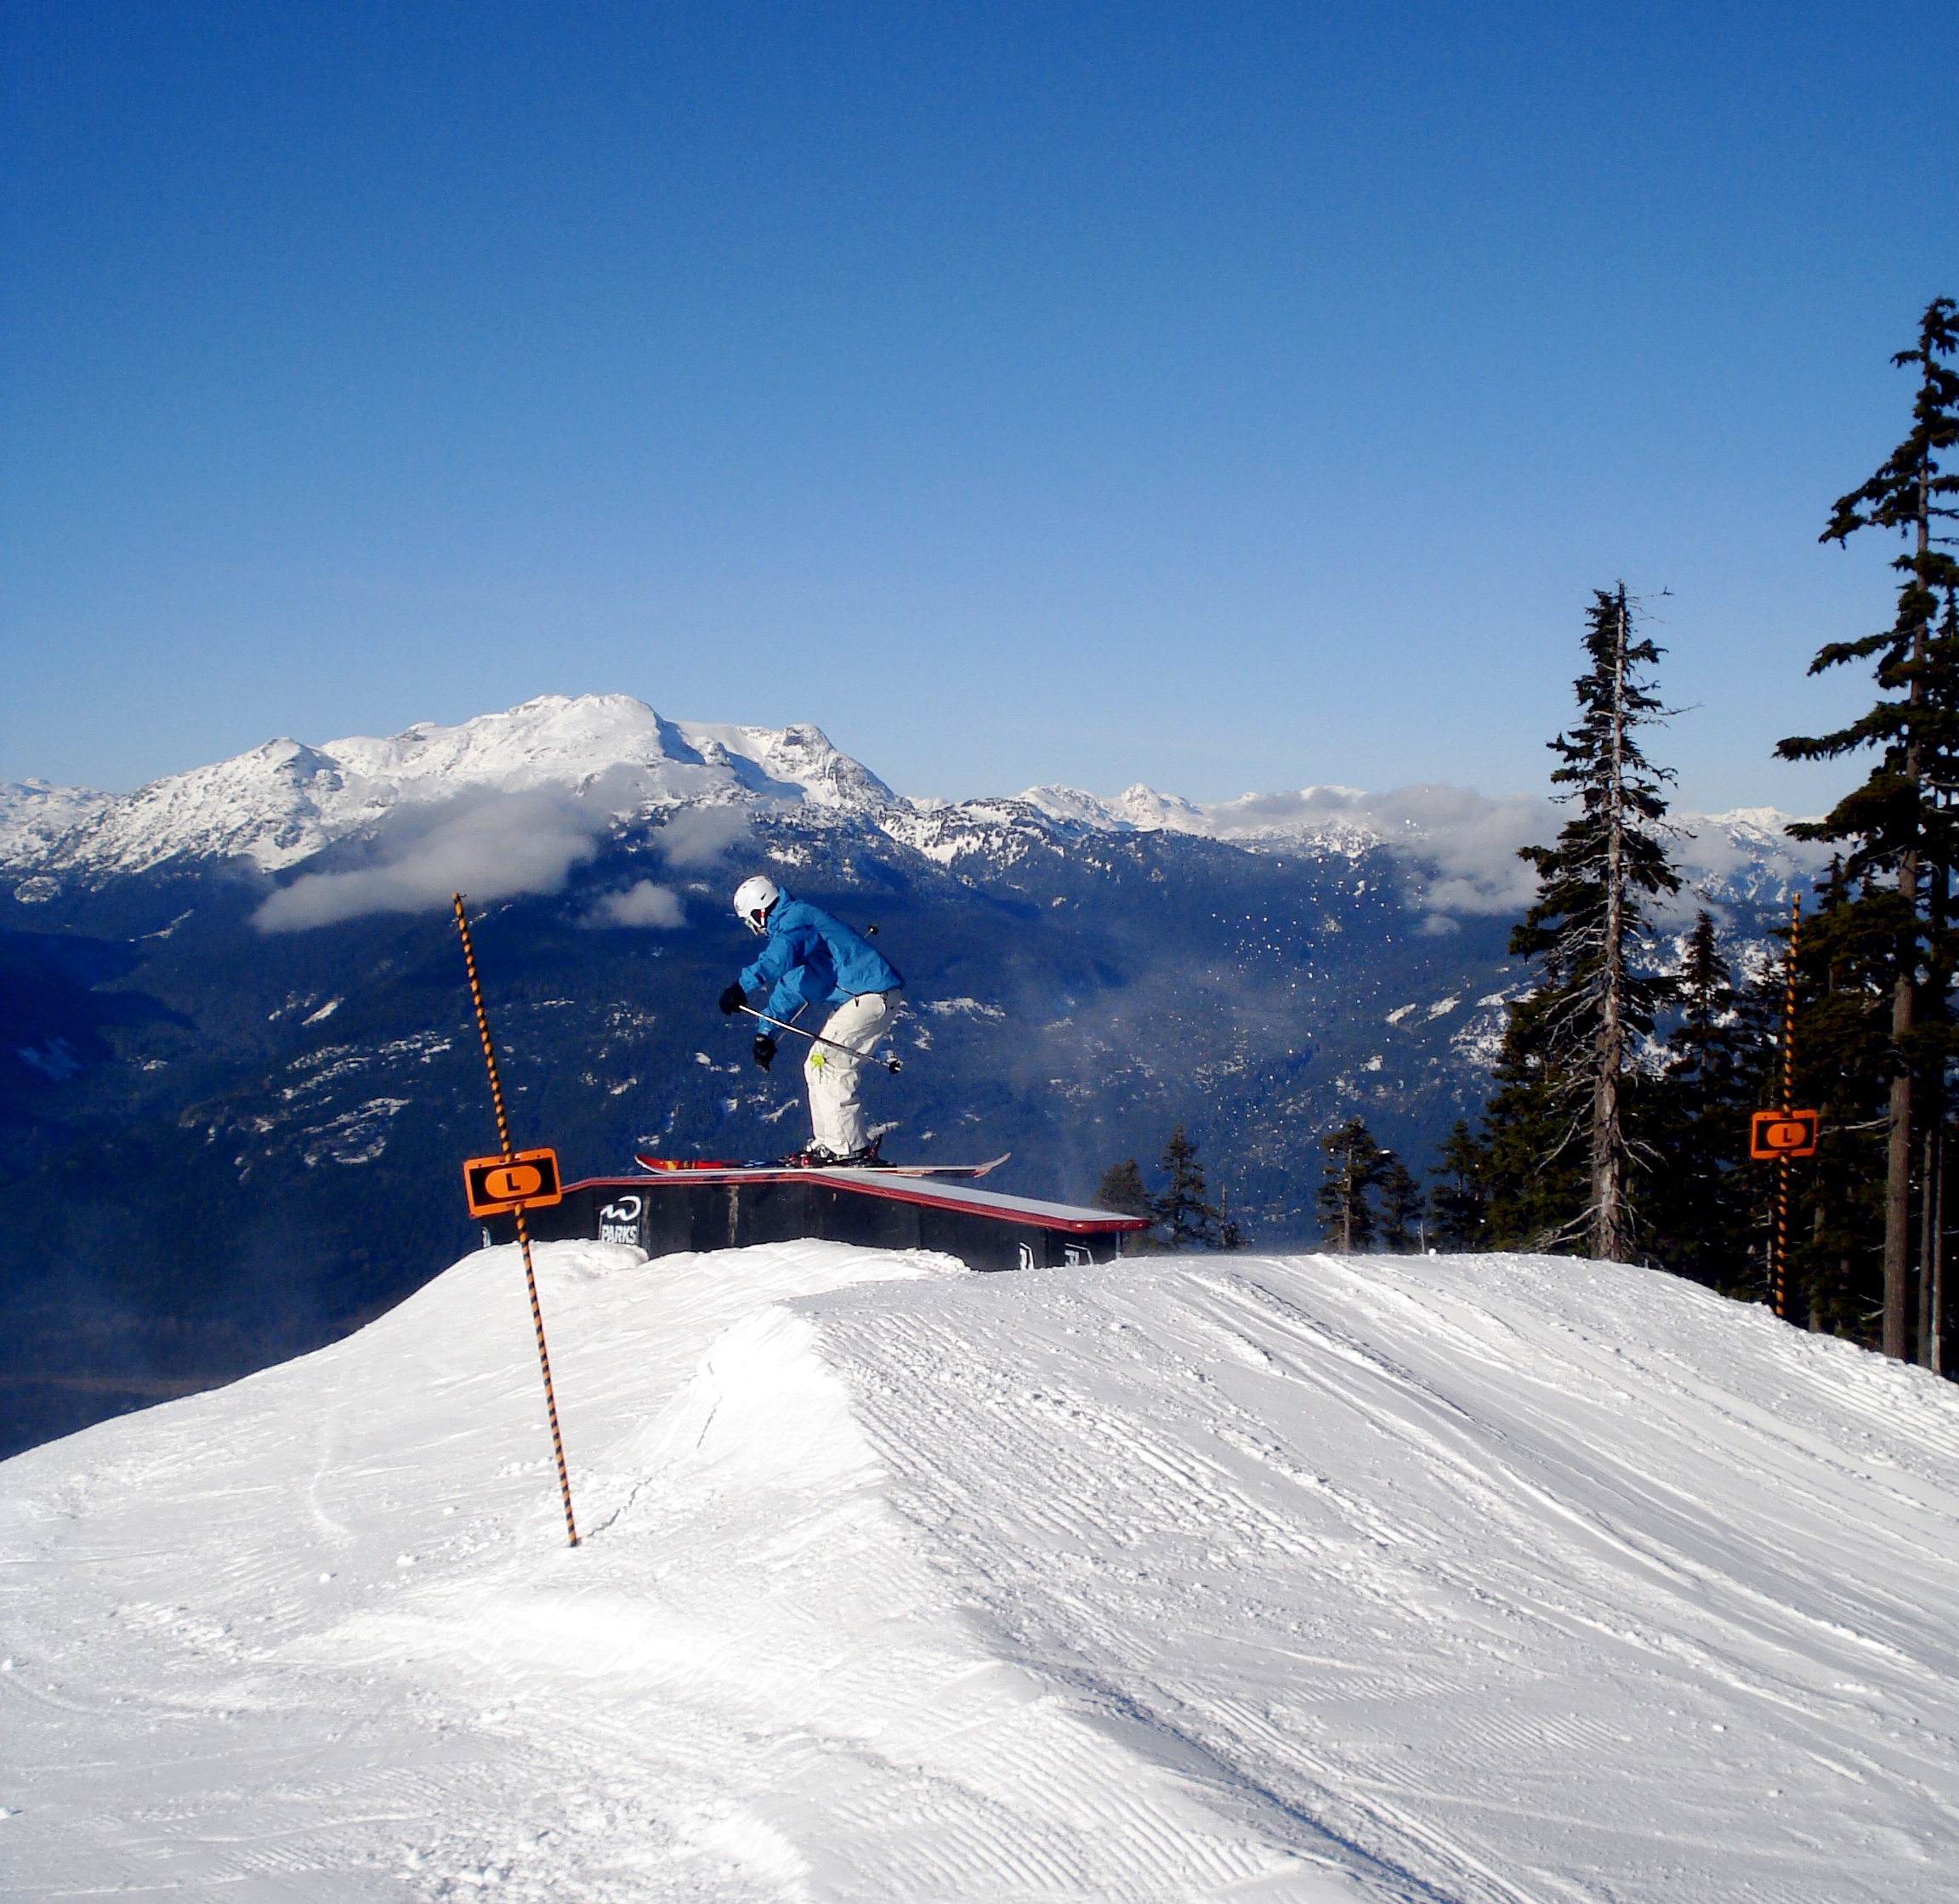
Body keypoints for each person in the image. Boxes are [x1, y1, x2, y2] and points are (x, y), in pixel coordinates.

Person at [718, 875, 904, 1164]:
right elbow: (790, 989)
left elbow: (778, 958)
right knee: (815, 1064)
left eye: (749, 922)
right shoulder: (798, 935)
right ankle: (830, 1144)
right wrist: (765, 1034)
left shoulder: (797, 921)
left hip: (872, 995)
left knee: (829, 1064)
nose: (753, 930)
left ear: (761, 912)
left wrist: (742, 986)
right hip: (864, 1000)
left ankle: (848, 1150)